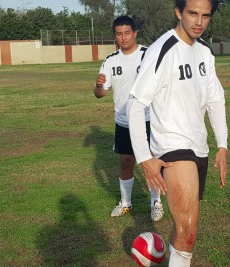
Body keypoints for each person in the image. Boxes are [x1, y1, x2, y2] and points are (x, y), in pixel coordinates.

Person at [127, 0, 227, 265]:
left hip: (199, 147)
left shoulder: (205, 51)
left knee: (181, 229)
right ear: (178, 12)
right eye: (192, 13)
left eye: (205, 16)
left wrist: (223, 146)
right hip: (171, 146)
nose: (199, 22)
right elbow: (136, 103)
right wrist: (144, 158)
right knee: (189, 231)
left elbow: (216, 99)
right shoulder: (163, 49)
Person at [93, 16, 164, 221]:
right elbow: (100, 94)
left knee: (151, 162)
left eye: (127, 33)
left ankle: (156, 203)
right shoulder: (110, 60)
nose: (123, 38)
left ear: (135, 33)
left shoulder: (148, 55)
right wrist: (98, 86)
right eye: (118, 34)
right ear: (114, 35)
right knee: (125, 161)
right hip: (123, 122)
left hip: (148, 119)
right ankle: (126, 203)